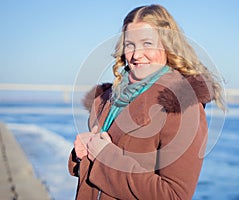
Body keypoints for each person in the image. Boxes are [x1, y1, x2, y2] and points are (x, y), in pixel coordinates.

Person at [68, 4, 225, 200]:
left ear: (168, 45)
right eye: (129, 44)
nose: (136, 55)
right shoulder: (107, 98)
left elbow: (173, 195)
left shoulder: (181, 106)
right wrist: (80, 153)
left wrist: (106, 156)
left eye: (147, 44)